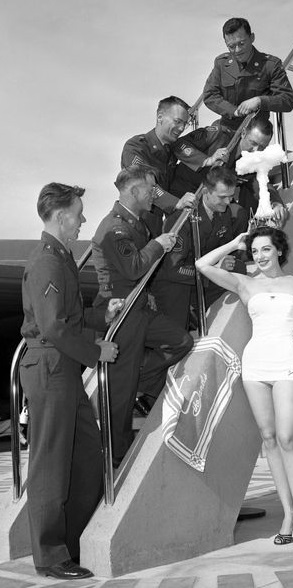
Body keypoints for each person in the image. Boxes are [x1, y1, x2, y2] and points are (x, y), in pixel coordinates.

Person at [196, 225, 293, 551]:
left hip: (287, 364)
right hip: (254, 366)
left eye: (266, 249)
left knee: (287, 438)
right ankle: (288, 517)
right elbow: (203, 265)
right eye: (255, 251)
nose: (260, 256)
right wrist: (234, 242)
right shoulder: (246, 283)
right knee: (268, 439)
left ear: (279, 250)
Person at [19, 183, 121, 580]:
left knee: (86, 455)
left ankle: (74, 542)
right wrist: (97, 353)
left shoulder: (60, 258)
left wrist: (102, 317)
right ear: (61, 217)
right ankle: (50, 556)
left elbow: (71, 319)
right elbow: (53, 327)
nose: (82, 220)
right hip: (50, 368)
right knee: (51, 465)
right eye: (78, 214)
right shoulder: (47, 261)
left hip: (63, 368)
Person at [92, 166, 194, 468]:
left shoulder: (135, 222)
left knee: (181, 341)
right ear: (134, 191)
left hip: (140, 309)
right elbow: (134, 267)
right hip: (120, 312)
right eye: (150, 190)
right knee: (120, 395)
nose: (154, 195)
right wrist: (157, 244)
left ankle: (143, 379)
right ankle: (114, 456)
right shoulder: (115, 227)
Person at [151, 167, 248, 329]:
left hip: (203, 276)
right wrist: (214, 270)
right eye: (222, 197)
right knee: (178, 336)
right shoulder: (181, 220)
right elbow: (174, 270)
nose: (228, 202)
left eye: (231, 196)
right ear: (205, 191)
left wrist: (222, 262)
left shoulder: (223, 212)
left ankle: (197, 312)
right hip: (178, 283)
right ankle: (190, 315)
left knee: (238, 268)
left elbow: (222, 246)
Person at [171, 115, 287, 226]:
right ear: (243, 133)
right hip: (185, 190)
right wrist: (207, 160)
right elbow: (179, 144)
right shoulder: (218, 134)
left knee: (239, 216)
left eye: (262, 147)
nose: (256, 150)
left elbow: (260, 182)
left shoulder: (253, 161)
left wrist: (276, 203)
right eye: (253, 143)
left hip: (215, 198)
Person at [121, 95, 197, 236]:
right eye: (177, 121)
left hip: (156, 226)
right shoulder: (136, 147)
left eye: (184, 124)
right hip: (134, 224)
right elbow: (144, 184)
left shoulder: (172, 151)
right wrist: (175, 203)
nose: (181, 128)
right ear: (160, 117)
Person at [203, 17, 293, 131]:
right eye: (231, 46)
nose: (237, 50)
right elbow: (210, 95)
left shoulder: (270, 65)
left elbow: (287, 99)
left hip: (255, 132)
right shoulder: (221, 63)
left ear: (252, 38)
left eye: (241, 43)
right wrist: (234, 111)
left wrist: (259, 101)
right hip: (227, 128)